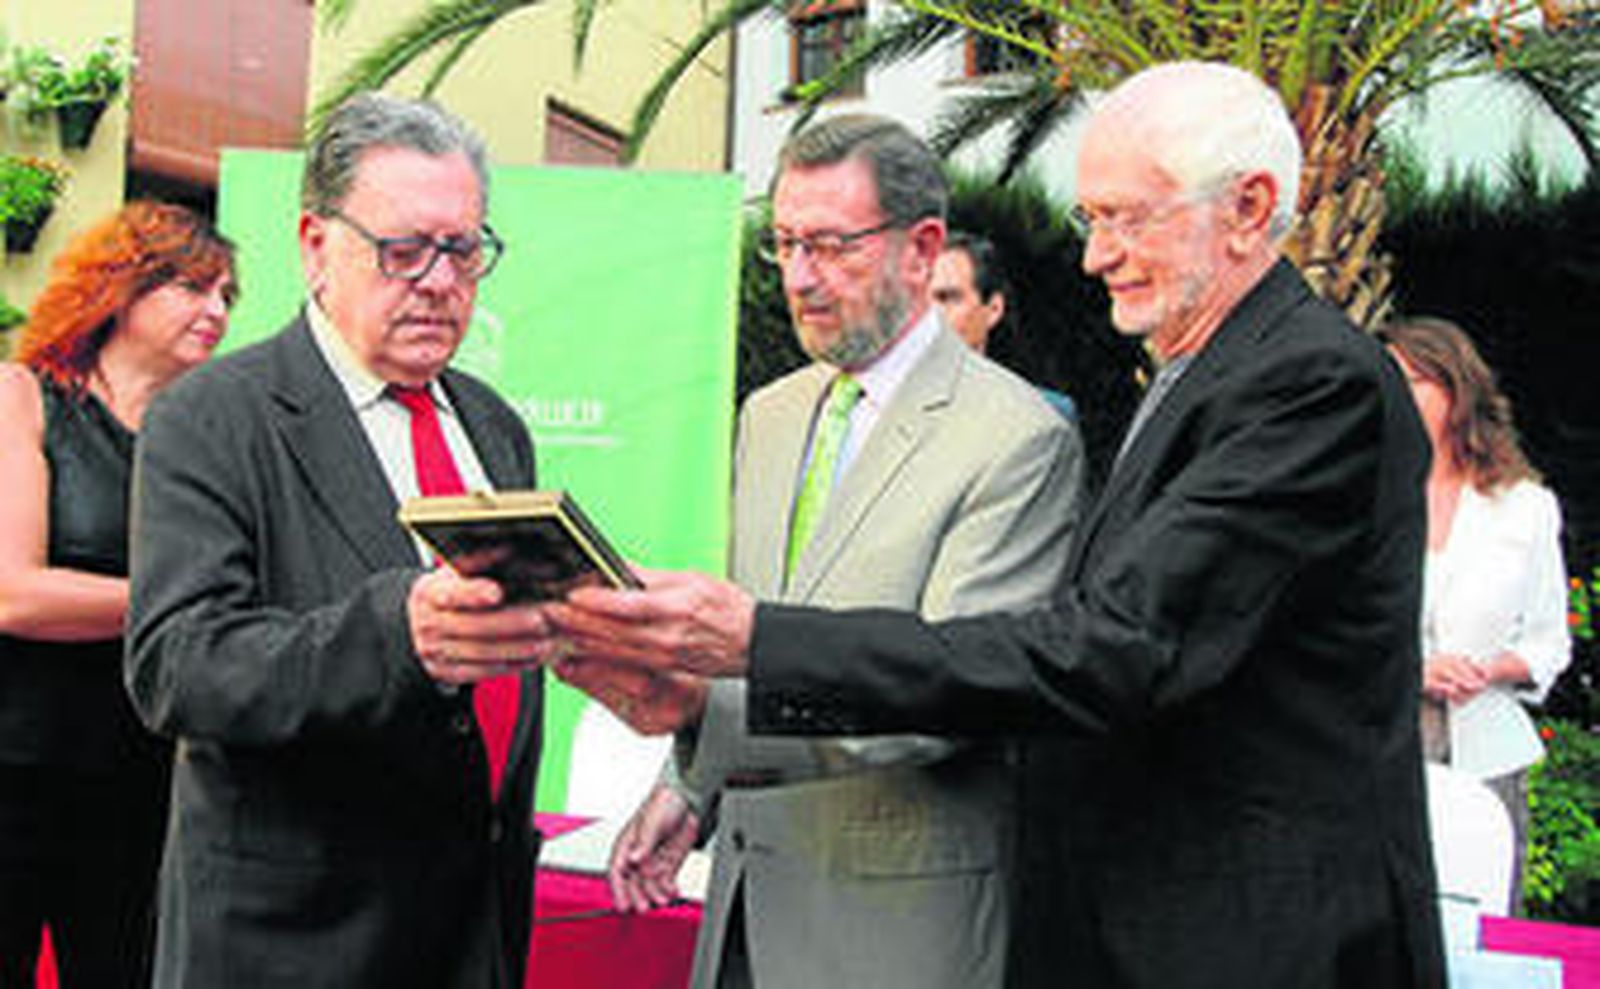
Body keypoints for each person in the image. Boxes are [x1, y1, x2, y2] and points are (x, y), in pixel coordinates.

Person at [546, 62, 1446, 989]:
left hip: (1252, 940)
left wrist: (757, 642)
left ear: (1249, 209)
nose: (1096, 256)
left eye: (1125, 217)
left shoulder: (1310, 382)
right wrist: (701, 756)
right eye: (1090, 220)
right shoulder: (1206, 372)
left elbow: (1114, 647)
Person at [573, 114, 1082, 989]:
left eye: (832, 246)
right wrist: (686, 789)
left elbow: (954, 692)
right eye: (784, 244)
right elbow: (749, 641)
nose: (800, 277)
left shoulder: (1017, 439)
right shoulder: (769, 415)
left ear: (923, 249)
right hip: (743, 908)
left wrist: (704, 723)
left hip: (893, 935)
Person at [126, 94, 552, 989]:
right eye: (404, 250)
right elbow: (179, 665)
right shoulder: (214, 416)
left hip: (473, 932)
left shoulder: (494, 425)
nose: (439, 280)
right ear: (316, 246)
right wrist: (401, 634)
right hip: (294, 943)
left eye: (463, 249)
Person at [0, 201, 235, 989]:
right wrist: (182, 603)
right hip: (16, 769)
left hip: (148, 778)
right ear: (119, 289)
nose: (216, 311)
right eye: (194, 287)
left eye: (227, 295)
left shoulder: (207, 440)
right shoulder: (22, 397)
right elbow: (13, 593)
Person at [1380, 315, 1570, 904]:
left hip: (1487, 754)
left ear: (1455, 390)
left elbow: (1548, 644)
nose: (1396, 395)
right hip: (1380, 746)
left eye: (1413, 381)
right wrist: (1414, 670)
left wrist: (1486, 670)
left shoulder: (1526, 508)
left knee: (1482, 920)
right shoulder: (1361, 499)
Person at [931, 231, 1076, 420]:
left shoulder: (1043, 414)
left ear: (994, 309)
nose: (930, 314)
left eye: (948, 298)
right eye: (918, 301)